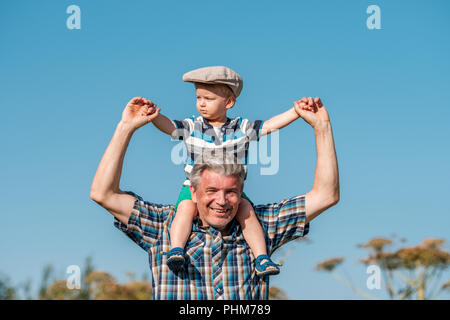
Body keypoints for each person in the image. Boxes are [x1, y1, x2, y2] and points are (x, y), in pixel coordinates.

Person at [90, 94, 339, 300]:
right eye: (211, 191)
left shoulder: (259, 224)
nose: (221, 200)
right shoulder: (162, 226)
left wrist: (322, 128)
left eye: (230, 192)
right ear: (194, 192)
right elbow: (103, 193)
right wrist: (125, 128)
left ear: (241, 192)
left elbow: (326, 195)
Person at [149, 66, 304, 276]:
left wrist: (296, 112)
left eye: (208, 98)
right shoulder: (192, 126)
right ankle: (176, 249)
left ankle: (261, 258)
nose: (201, 104)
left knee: (246, 212)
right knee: (185, 208)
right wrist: (151, 115)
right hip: (194, 186)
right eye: (198, 98)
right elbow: (169, 126)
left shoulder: (241, 127)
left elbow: (268, 126)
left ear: (228, 102)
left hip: (231, 190)